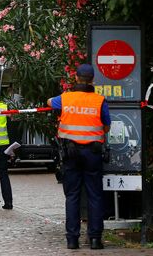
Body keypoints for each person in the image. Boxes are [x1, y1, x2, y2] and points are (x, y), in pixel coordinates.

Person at [47, 64, 110, 250]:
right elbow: (106, 126)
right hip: (93, 153)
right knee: (95, 195)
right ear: (92, 80)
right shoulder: (99, 100)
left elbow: (50, 102)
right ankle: (95, 239)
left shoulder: (65, 98)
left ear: (76, 78)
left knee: (72, 195)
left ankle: (72, 239)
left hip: (70, 153)